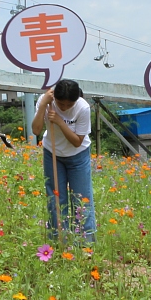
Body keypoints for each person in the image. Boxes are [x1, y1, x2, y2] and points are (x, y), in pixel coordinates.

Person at [33, 79, 96, 243]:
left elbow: (77, 141)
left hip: (78, 155)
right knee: (55, 198)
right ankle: (58, 238)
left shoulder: (83, 107)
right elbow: (36, 130)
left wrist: (60, 122)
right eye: (61, 104)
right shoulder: (46, 102)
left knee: (81, 198)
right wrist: (42, 106)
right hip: (52, 153)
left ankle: (85, 241)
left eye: (69, 105)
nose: (64, 108)